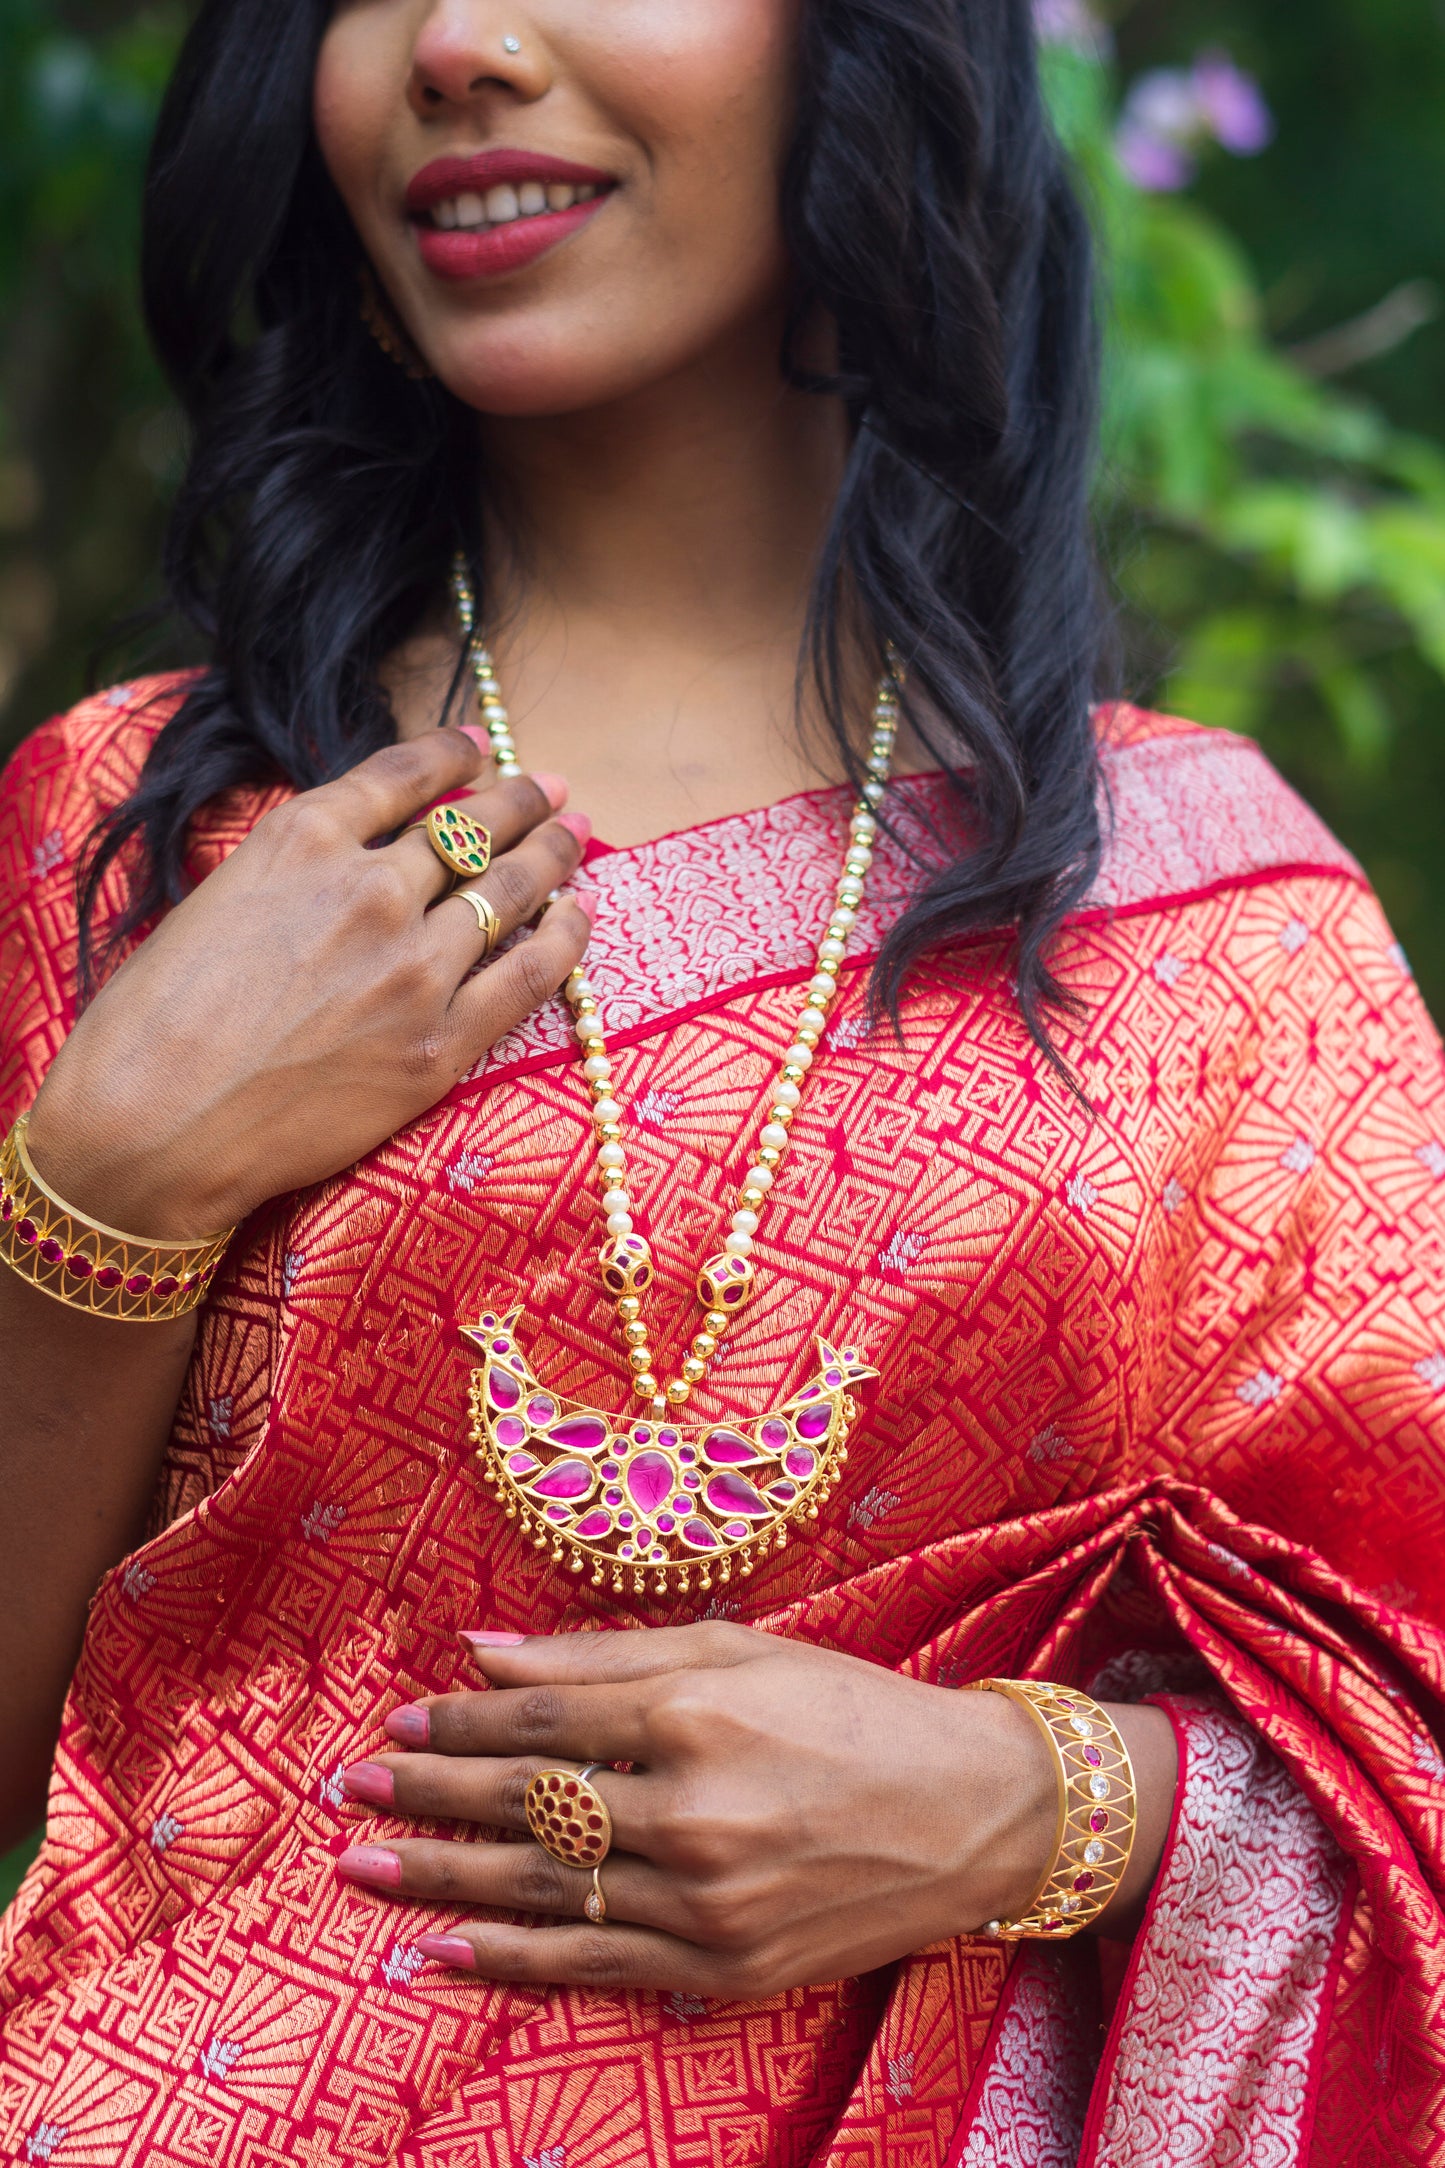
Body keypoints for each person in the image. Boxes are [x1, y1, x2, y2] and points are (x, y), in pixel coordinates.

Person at [0, 1, 1441, 2161]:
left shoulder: (1218, 930)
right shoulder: (146, 833)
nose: (461, 43)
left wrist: (1033, 1805)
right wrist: (99, 1193)